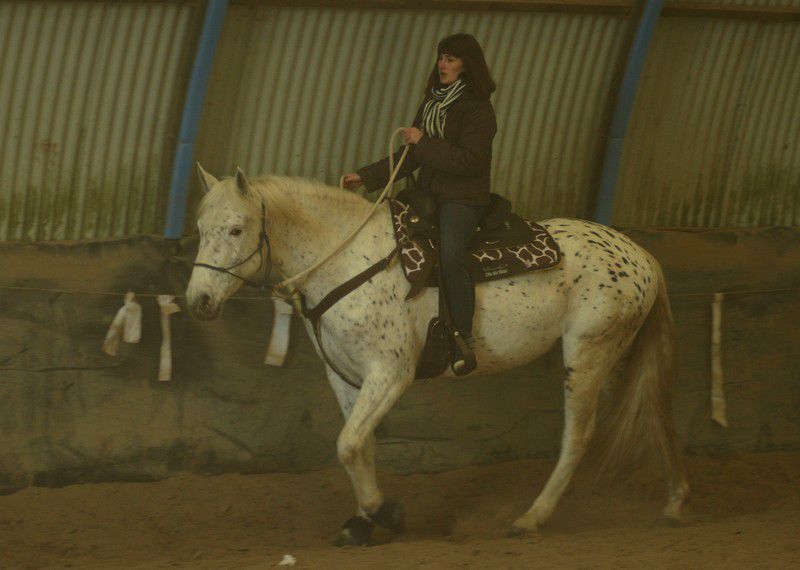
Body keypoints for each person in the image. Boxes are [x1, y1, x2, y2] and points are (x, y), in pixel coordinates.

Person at [342, 33, 497, 376]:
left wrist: (424, 142)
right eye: (441, 57)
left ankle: (462, 335)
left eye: (451, 59)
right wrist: (365, 177)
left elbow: (471, 161)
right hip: (429, 193)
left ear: (466, 65)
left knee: (451, 253)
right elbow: (410, 155)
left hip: (462, 198)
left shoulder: (478, 109)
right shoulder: (433, 100)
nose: (442, 64)